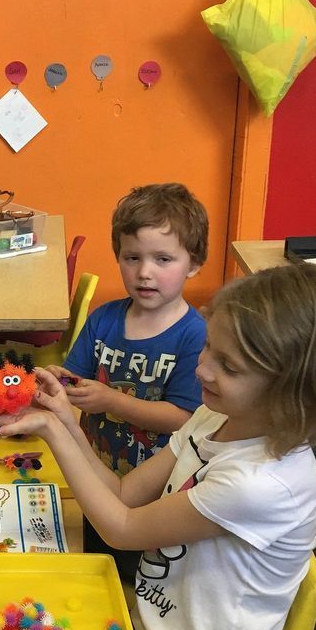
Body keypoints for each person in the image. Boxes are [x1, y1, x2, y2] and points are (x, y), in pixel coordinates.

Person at [0, 263, 316, 630]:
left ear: (292, 391)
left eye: (229, 366)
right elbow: (124, 494)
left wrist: (53, 433)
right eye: (209, 348)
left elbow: (122, 528)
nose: (203, 369)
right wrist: (67, 422)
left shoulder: (261, 482)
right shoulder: (217, 416)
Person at [57, 182, 208, 582]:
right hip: (95, 472)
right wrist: (52, 382)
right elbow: (76, 378)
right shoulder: (104, 318)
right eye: (132, 257)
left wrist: (111, 401)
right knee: (93, 560)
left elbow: (184, 418)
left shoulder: (195, 336)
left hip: (155, 493)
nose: (144, 272)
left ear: (194, 264)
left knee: (135, 577)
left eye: (163, 259)